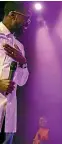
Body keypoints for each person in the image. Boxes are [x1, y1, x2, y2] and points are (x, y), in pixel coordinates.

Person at [0, 2, 30, 144]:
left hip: (8, 119)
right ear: (12, 14)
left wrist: (23, 62)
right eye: (26, 18)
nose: (27, 23)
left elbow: (22, 81)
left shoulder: (19, 46)